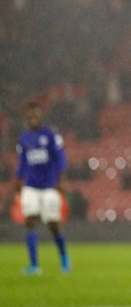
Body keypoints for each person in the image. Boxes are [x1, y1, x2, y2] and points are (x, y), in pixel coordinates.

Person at [14, 100, 71, 275]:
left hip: (49, 185)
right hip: (30, 185)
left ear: (40, 115)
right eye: (30, 114)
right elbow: (23, 162)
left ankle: (63, 256)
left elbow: (60, 157)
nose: (33, 117)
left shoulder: (51, 134)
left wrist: (61, 178)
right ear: (27, 117)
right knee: (30, 222)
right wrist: (18, 179)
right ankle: (34, 265)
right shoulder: (23, 139)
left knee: (53, 224)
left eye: (36, 113)